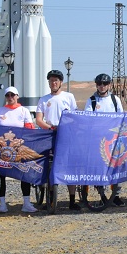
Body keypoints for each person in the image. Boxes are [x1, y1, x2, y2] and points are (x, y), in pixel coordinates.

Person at [34, 68, 81, 210]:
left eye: (56, 80)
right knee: (49, 166)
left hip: (66, 134)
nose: (53, 83)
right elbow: (39, 120)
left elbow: (74, 115)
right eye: (51, 80)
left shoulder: (69, 97)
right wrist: (49, 127)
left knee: (69, 166)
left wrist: (66, 126)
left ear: (60, 82)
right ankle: (49, 198)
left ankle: (72, 200)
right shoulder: (43, 99)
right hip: (49, 134)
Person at [0, 86, 37, 213]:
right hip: (2, 150)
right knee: (1, 176)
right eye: (8, 95)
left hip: (18, 150)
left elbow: (30, 129)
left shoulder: (24, 111)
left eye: (12, 95)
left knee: (24, 174)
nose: (10, 97)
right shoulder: (0, 111)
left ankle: (26, 203)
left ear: (17, 96)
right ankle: (2, 204)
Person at [85, 73, 126, 206]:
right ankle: (102, 194)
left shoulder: (115, 99)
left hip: (113, 139)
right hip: (97, 139)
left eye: (105, 84)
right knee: (99, 167)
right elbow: (87, 118)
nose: (102, 86)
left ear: (109, 85)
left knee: (116, 166)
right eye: (99, 84)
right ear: (96, 85)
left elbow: (121, 117)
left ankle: (116, 195)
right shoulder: (91, 100)